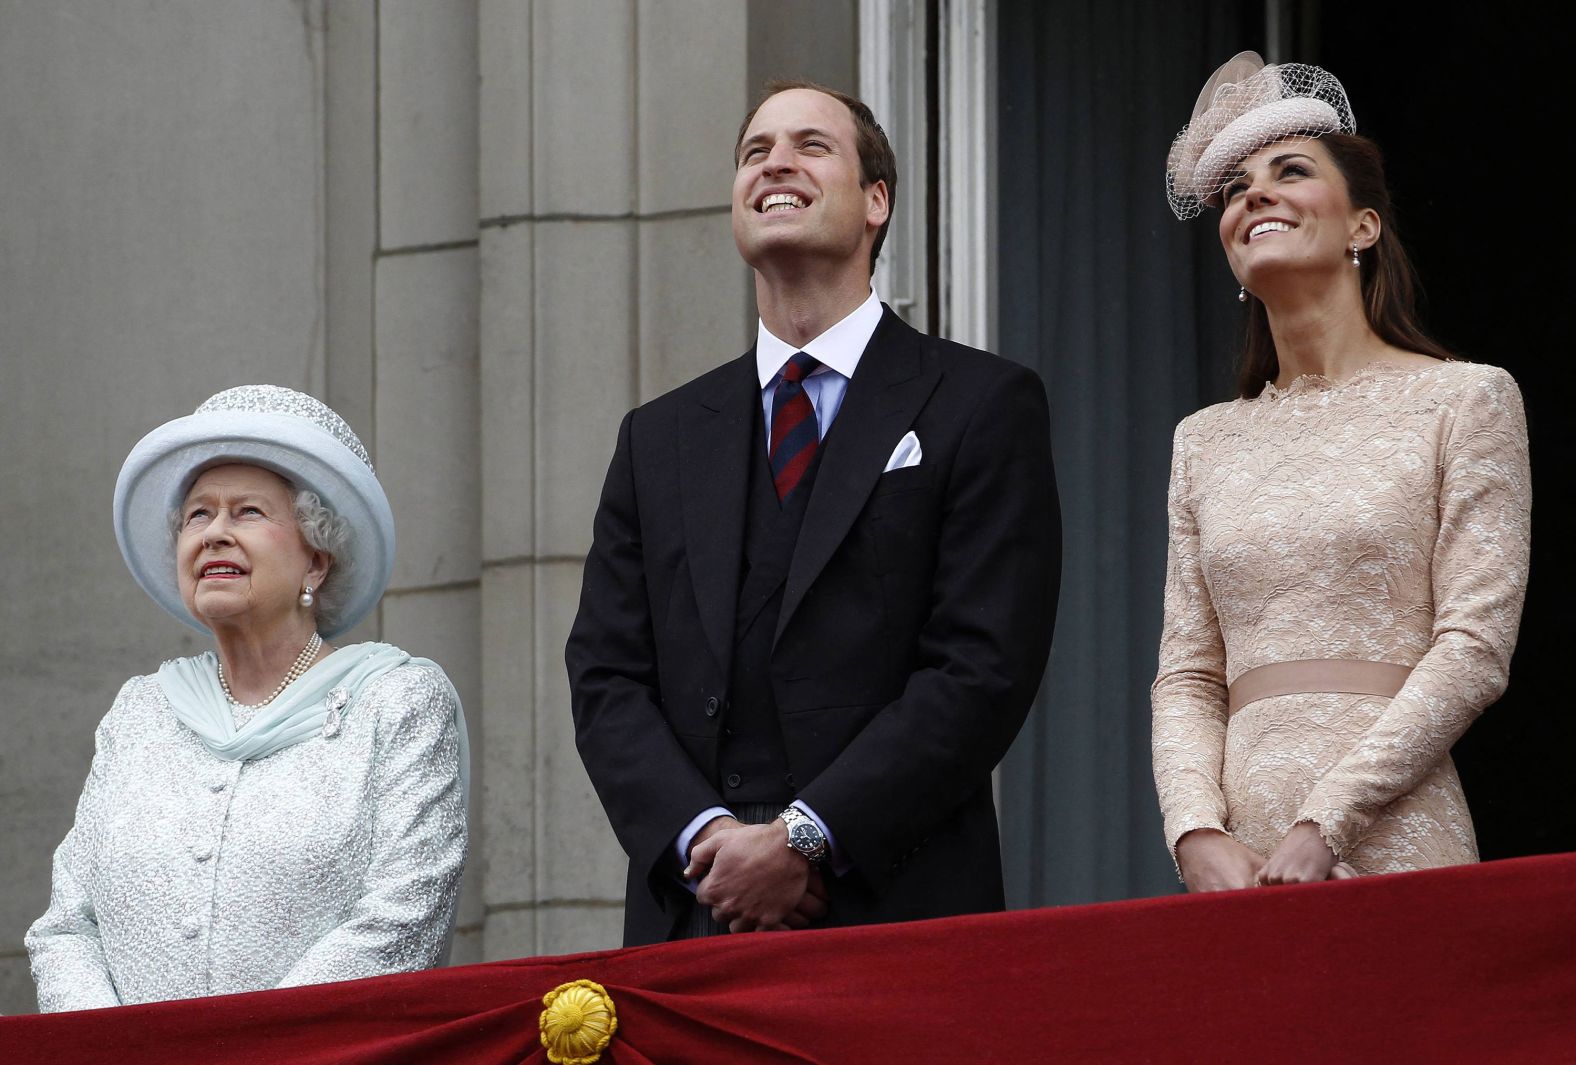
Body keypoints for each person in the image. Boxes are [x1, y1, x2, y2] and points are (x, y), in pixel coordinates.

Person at [566, 79, 1059, 943]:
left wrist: (806, 838)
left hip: (898, 905)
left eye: (810, 146)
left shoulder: (982, 402)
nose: (775, 164)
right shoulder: (658, 436)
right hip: (696, 910)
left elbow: (981, 667)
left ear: (877, 201)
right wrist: (710, 839)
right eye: (755, 151)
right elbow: (607, 677)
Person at [1151, 53, 1531, 891]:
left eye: (1290, 171)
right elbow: (1187, 672)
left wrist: (1330, 818)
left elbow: (1474, 647)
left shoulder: (1465, 399)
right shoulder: (1203, 440)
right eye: (1236, 188)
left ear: (1363, 226)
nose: (1256, 194)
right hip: (1237, 858)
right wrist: (1195, 831)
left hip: (1397, 831)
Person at [27, 385, 469, 1011]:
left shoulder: (396, 702)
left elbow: (404, 915)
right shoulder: (140, 713)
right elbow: (66, 927)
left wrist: (249, 1046)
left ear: (316, 560)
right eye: (198, 516)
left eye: (248, 513)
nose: (214, 535)